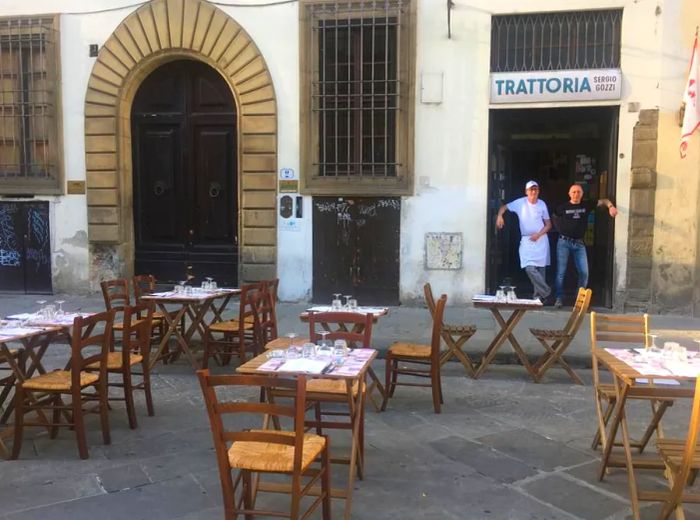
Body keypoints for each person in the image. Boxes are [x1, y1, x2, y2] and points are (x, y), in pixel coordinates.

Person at [551, 183, 618, 308]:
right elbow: (553, 218)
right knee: (561, 272)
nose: (576, 194)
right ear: (569, 194)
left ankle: (579, 300)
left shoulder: (586, 205)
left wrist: (611, 207)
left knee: (584, 272)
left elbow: (604, 200)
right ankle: (559, 298)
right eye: (574, 192)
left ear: (582, 194)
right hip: (564, 242)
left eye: (578, 192)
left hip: (579, 243)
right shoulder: (562, 208)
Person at [496, 180, 552, 302]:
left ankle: (538, 298)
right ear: (526, 192)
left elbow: (548, 225)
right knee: (529, 267)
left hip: (540, 239)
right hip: (527, 239)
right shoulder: (520, 203)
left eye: (536, 189)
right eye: (531, 189)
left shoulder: (542, 204)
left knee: (540, 269)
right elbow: (503, 207)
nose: (533, 191)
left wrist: (538, 234)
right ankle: (547, 292)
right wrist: (499, 216)